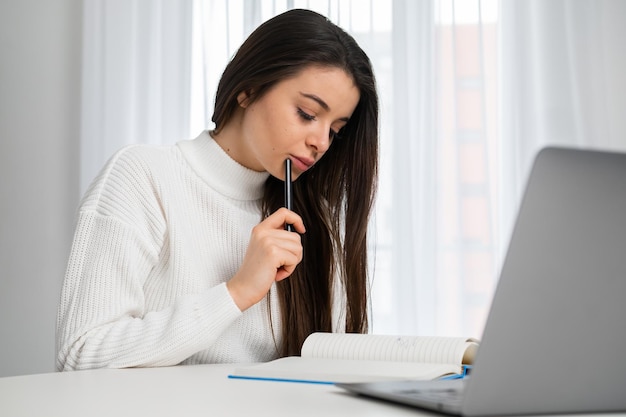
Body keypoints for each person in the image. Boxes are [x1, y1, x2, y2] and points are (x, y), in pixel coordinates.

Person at [56, 8, 379, 371]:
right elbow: (81, 355)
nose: (321, 142)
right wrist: (237, 292)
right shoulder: (143, 177)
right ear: (248, 89)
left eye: (335, 130)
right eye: (307, 113)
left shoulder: (308, 217)